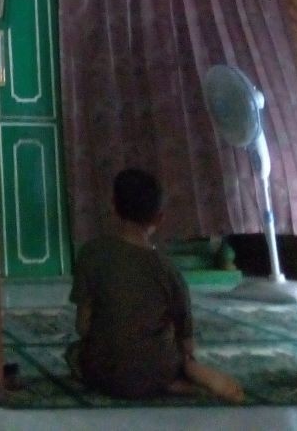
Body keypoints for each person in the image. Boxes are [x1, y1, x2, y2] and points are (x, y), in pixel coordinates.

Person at [68, 168, 244, 404]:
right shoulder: (168, 270)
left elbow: (82, 327)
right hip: (158, 370)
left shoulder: (91, 254)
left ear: (113, 206)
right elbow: (187, 341)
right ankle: (181, 377)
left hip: (104, 373)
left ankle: (165, 379)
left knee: (73, 354)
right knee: (175, 356)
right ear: (159, 218)